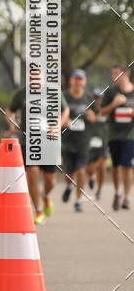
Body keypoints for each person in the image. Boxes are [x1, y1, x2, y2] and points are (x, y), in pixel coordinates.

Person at [6, 71, 69, 223]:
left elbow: (65, 110)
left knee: (50, 180)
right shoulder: (22, 93)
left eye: (37, 76)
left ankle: (46, 196)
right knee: (32, 172)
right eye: (31, 76)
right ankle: (38, 210)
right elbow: (9, 111)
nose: (34, 79)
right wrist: (12, 124)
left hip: (49, 141)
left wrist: (58, 125)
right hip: (29, 141)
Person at [61, 70, 96, 212]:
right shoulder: (63, 96)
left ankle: (78, 199)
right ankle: (69, 186)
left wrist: (90, 116)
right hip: (67, 141)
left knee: (81, 170)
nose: (78, 81)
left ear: (85, 81)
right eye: (75, 78)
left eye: (80, 79)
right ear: (71, 81)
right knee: (69, 174)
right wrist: (65, 121)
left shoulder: (88, 97)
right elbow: (56, 117)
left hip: (83, 141)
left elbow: (95, 118)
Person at [100, 65, 134, 211]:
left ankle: (127, 197)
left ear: (126, 73)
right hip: (114, 135)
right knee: (116, 166)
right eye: (112, 74)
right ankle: (117, 192)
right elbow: (101, 112)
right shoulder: (111, 92)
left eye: (116, 74)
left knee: (128, 166)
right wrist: (114, 104)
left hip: (130, 135)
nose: (114, 77)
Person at [86, 89, 109, 201]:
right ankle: (91, 176)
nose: (97, 99)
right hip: (90, 142)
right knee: (89, 168)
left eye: (99, 97)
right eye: (95, 97)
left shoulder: (106, 108)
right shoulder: (89, 109)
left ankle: (99, 190)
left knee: (102, 167)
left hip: (103, 142)